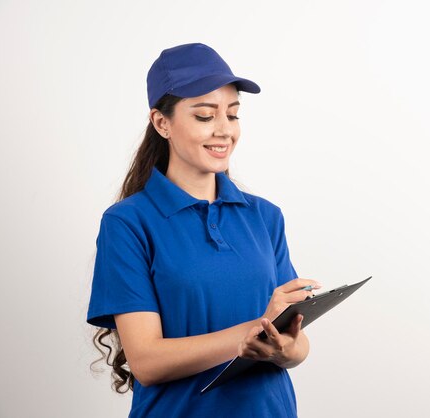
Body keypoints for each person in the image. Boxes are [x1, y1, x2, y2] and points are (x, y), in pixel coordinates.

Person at [86, 43, 320, 418]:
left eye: (233, 114)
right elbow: (146, 361)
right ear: (162, 123)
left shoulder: (265, 216)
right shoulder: (128, 223)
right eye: (205, 116)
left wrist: (283, 347)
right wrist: (250, 333)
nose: (225, 131)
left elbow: (298, 345)